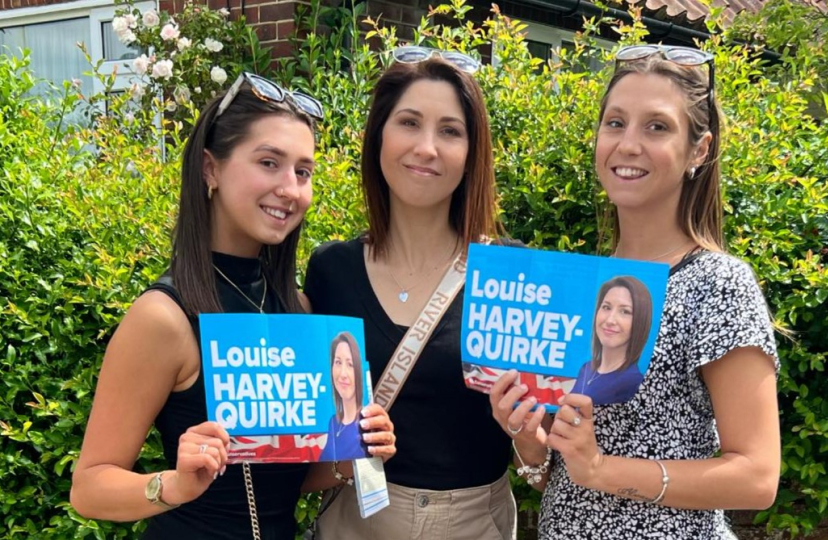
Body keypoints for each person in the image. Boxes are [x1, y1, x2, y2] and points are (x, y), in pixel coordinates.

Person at [70, 73, 395, 539]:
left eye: (303, 172)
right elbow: (89, 487)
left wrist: (355, 454)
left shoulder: (298, 312)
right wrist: (176, 485)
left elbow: (279, 477)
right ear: (210, 169)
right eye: (269, 162)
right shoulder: (165, 317)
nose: (290, 188)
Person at [490, 45, 780, 538]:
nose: (627, 144)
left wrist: (602, 469)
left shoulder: (718, 284)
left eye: (657, 126)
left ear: (699, 149)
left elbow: (757, 477)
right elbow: (558, 475)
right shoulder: (584, 285)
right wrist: (527, 436)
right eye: (615, 122)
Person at [302, 47, 518, 539]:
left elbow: (544, 450)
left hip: (474, 524)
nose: (426, 147)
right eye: (409, 123)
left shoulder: (509, 274)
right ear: (378, 135)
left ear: (472, 152)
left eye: (450, 131)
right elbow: (305, 430)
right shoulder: (329, 270)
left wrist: (527, 434)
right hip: (355, 522)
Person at [572, 275, 652, 405]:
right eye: (606, 307)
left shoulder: (634, 383)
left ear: (640, 322)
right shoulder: (586, 368)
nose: (610, 320)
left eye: (625, 312)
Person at [318, 332, 369, 461]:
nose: (343, 374)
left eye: (350, 364)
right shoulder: (333, 422)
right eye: (338, 362)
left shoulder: (365, 427)